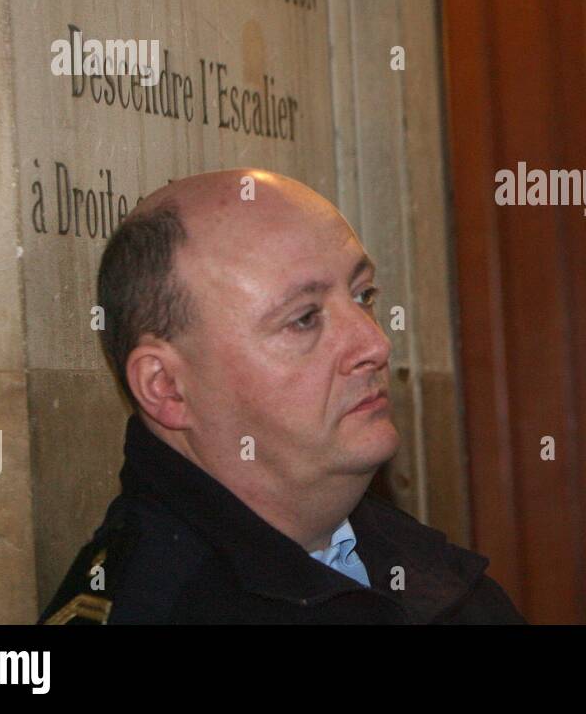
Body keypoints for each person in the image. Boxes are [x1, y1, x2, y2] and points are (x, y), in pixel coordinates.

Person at [41, 170, 524, 623]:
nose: (376, 345)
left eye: (363, 295)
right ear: (166, 386)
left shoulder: (424, 569)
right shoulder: (153, 603)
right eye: (304, 318)